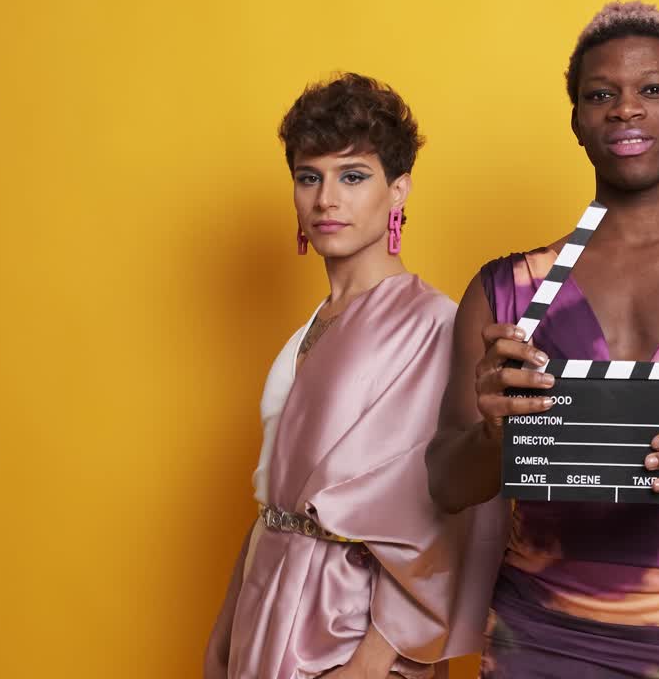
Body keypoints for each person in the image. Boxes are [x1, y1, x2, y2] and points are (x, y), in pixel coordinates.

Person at [425, 1, 659, 678]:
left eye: (654, 90)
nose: (625, 109)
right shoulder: (507, 291)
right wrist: (491, 433)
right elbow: (445, 484)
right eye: (600, 94)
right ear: (577, 120)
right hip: (531, 636)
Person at [203, 73, 507, 679]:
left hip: (351, 628)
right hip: (271, 596)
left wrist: (371, 663)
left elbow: (443, 512)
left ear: (399, 190)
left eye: (353, 176)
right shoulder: (313, 323)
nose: (326, 200)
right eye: (309, 177)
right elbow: (277, 492)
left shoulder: (430, 323)